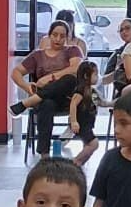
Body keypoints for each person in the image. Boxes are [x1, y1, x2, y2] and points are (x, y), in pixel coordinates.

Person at [9, 20, 84, 158]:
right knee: (47, 103)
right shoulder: (38, 55)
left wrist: (49, 77)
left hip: (68, 99)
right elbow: (15, 72)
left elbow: (76, 68)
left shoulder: (73, 50)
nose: (58, 39)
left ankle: (26, 103)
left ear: (67, 37)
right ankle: (44, 154)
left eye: (62, 36)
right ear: (49, 36)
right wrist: (27, 86)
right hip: (46, 100)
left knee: (70, 79)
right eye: (55, 35)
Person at [66, 59, 103, 169]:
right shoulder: (81, 90)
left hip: (88, 124)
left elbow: (101, 103)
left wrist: (116, 103)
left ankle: (79, 164)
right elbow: (73, 104)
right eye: (95, 74)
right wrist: (74, 121)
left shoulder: (92, 91)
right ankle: (74, 162)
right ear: (87, 76)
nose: (97, 77)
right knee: (94, 143)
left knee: (89, 146)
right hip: (81, 124)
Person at [101, 18, 131, 94]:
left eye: (127, 28)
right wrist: (118, 70)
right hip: (125, 93)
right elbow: (105, 79)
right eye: (121, 30)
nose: (124, 32)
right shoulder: (118, 54)